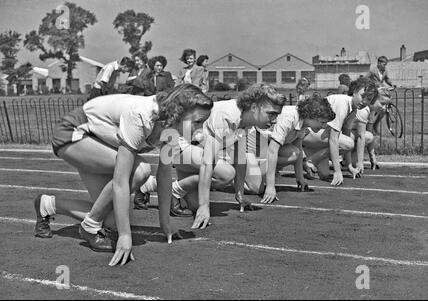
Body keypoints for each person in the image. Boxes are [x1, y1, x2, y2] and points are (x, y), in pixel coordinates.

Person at [34, 84, 213, 266]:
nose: (199, 132)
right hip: (73, 133)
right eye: (197, 122)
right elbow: (120, 181)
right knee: (141, 170)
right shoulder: (141, 115)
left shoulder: (171, 129)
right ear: (180, 112)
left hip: (97, 140)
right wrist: (126, 235)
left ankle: (47, 205)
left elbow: (164, 175)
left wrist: (165, 222)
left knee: (111, 220)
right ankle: (89, 227)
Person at [190, 84, 286, 229]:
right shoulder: (228, 116)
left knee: (191, 203)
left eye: (276, 115)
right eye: (271, 113)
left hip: (196, 147)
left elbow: (239, 157)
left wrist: (239, 194)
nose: (274, 120)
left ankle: (180, 190)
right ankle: (162, 186)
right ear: (254, 107)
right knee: (226, 173)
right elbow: (207, 162)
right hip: (180, 144)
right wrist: (204, 206)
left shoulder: (247, 121)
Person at [247, 96, 335, 204]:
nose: (324, 126)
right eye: (322, 122)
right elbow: (272, 151)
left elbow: (298, 147)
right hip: (250, 142)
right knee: (256, 188)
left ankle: (258, 169)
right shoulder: (288, 118)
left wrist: (300, 178)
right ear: (311, 116)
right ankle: (238, 172)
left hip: (264, 143)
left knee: (295, 153)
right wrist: (270, 186)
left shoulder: (303, 122)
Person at [301, 77, 379, 186]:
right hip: (307, 133)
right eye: (363, 96)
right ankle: (309, 160)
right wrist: (337, 172)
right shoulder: (343, 104)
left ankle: (310, 158)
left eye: (369, 99)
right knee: (349, 143)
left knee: (324, 174)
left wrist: (349, 166)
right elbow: (334, 139)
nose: (365, 101)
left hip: (319, 136)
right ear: (355, 91)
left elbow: (346, 134)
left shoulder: (354, 109)